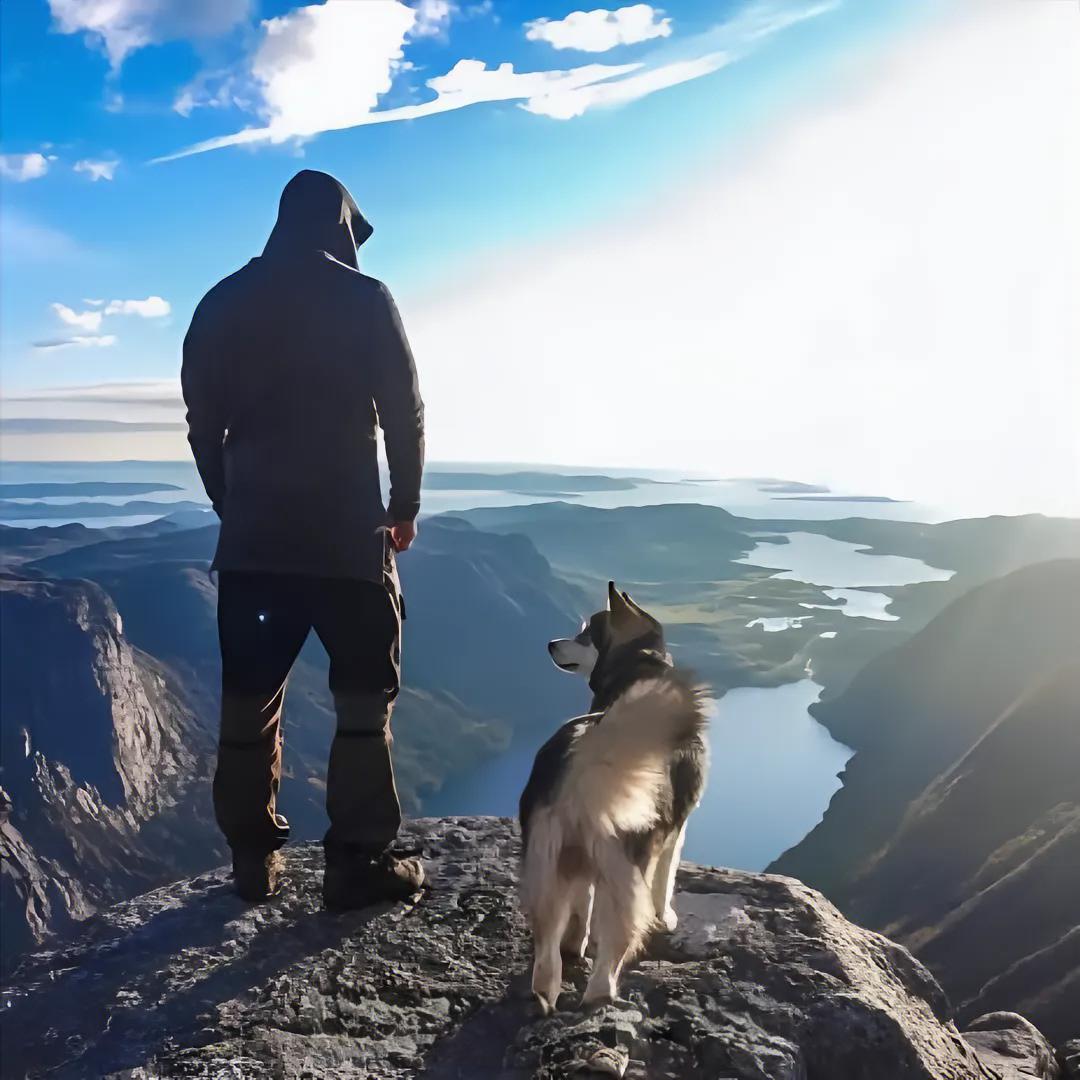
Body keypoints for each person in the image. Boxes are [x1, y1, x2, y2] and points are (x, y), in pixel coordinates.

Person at [181, 169, 425, 908]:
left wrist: (236, 505)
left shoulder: (221, 302)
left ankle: (253, 863)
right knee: (362, 699)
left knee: (249, 700)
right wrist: (403, 506)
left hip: (256, 544)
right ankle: (356, 863)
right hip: (351, 538)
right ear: (340, 227)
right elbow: (405, 411)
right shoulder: (365, 298)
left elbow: (202, 426)